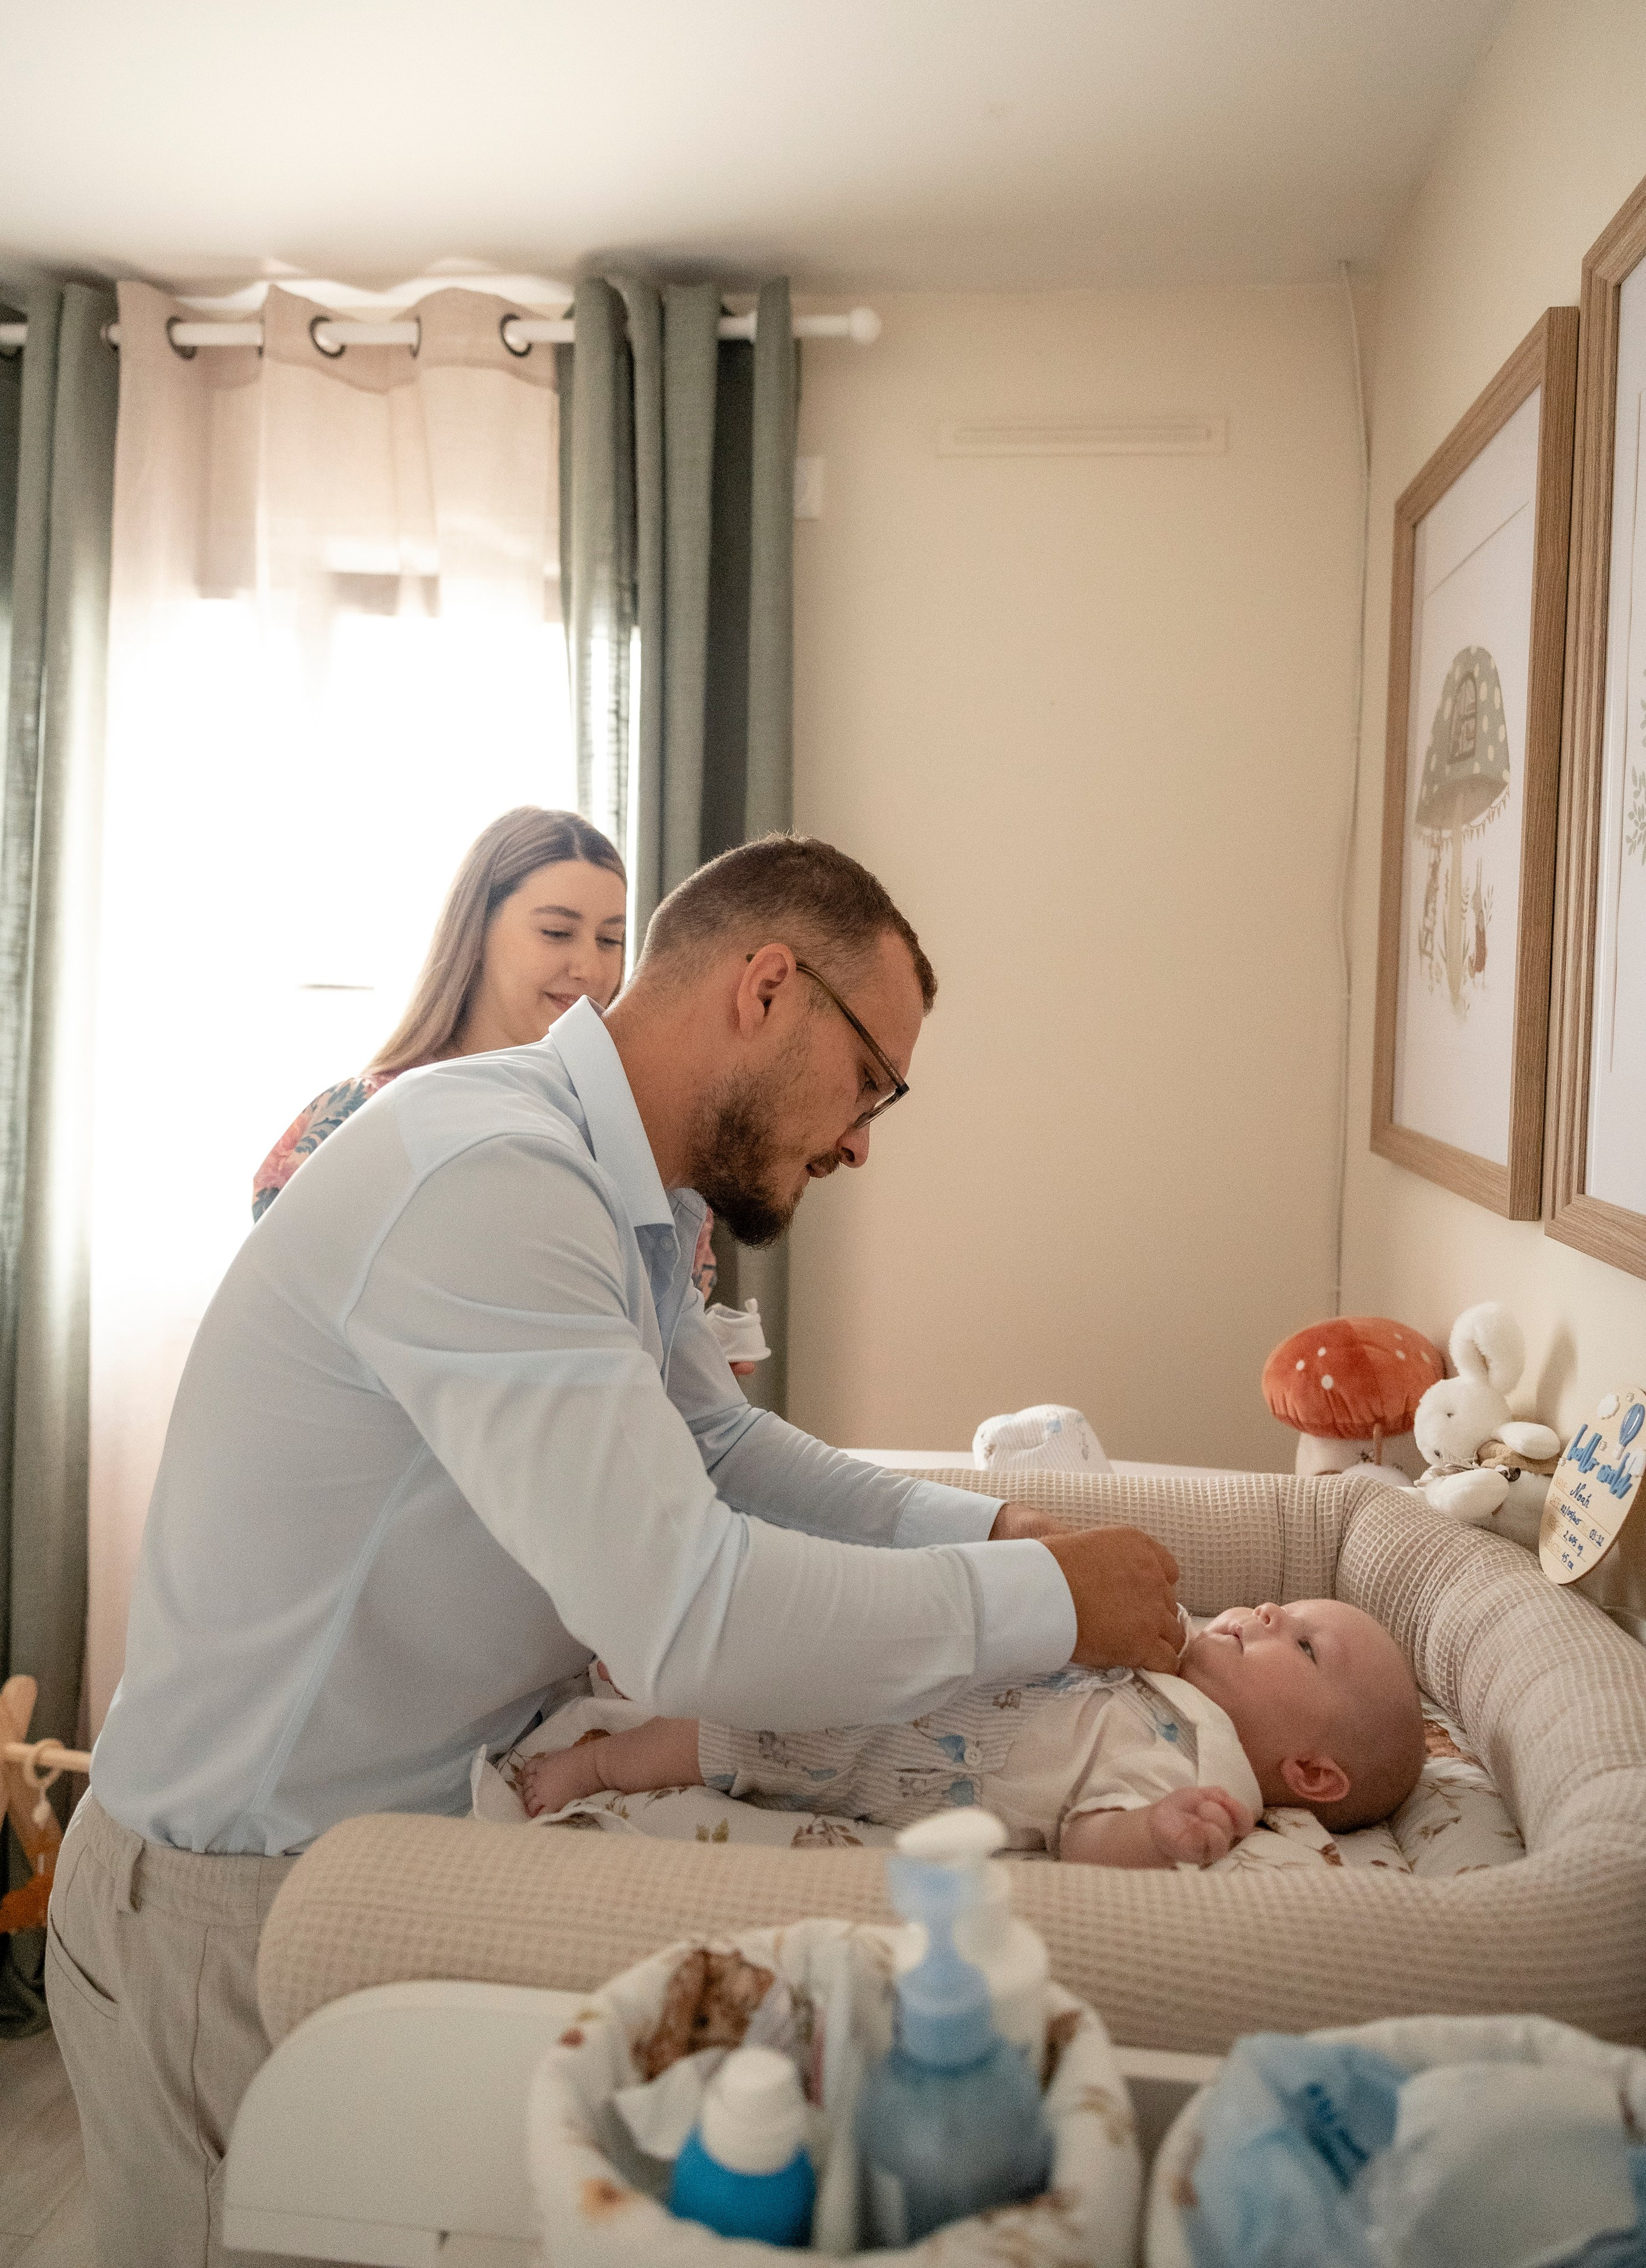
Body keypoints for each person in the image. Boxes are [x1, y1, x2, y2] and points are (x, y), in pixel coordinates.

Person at [50, 830, 1185, 2268]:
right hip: (226, 1896)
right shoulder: (487, 1177)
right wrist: (1042, 1603)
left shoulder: (619, 1193)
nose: (859, 1140)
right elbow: (686, 1614)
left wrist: (992, 1527)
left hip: (388, 1849)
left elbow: (718, 1449)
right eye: (870, 1083)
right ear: (765, 989)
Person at [518, 1597, 1426, 1865]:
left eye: (1303, 1643)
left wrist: (1156, 1836)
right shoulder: (1171, 1633)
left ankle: (600, 1766)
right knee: (759, 1646)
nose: (1269, 1611)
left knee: (714, 1740)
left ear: (1310, 1773)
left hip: (869, 1756)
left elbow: (1088, 1842)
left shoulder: (1199, 1769)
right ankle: (633, 1651)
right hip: (900, 1648)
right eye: (1285, 1609)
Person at [251, 804, 628, 1218]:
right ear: (476, 931)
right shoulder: (366, 1117)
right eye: (556, 933)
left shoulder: (624, 1138)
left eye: (611, 940)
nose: (590, 969)